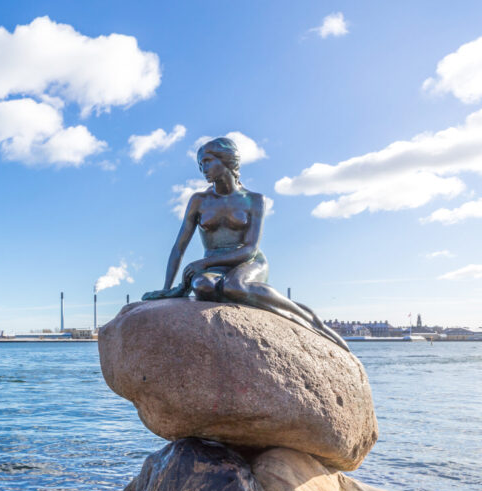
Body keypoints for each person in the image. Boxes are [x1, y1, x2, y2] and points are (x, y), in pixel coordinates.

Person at [142, 136, 348, 350]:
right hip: (214, 266)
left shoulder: (254, 200)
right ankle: (257, 298)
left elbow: (250, 249)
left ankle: (307, 318)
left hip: (249, 261)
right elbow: (179, 247)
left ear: (227, 161)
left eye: (208, 161)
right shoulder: (199, 200)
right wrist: (167, 290)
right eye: (200, 164)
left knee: (235, 286)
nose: (203, 168)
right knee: (201, 285)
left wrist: (202, 264)